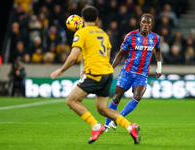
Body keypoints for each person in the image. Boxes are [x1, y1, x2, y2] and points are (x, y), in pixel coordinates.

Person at [50, 6, 141, 144]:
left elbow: (73, 57)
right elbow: (107, 54)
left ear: (82, 19)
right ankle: (130, 127)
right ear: (97, 19)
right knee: (102, 109)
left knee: (71, 101)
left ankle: (96, 126)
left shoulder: (81, 32)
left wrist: (61, 70)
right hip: (107, 73)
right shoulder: (103, 33)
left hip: (96, 74)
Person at [104, 13, 162, 132]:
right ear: (140, 23)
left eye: (148, 23)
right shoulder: (131, 36)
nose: (146, 25)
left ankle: (118, 119)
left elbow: (158, 51)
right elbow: (120, 54)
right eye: (143, 22)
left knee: (138, 96)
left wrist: (159, 66)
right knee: (116, 97)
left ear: (151, 25)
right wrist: (111, 68)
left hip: (141, 75)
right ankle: (106, 125)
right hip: (127, 72)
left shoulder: (155, 38)